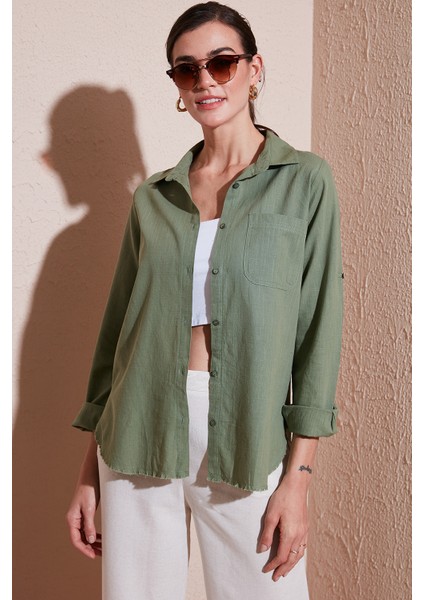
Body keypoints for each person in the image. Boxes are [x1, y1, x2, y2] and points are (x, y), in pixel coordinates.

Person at [66, 2, 343, 599]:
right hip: (137, 426)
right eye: (186, 69)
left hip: (248, 427)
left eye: (221, 63)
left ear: (254, 69)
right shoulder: (154, 199)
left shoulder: (305, 181)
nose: (205, 81)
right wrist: (89, 471)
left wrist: (297, 481)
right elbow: (118, 336)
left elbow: (319, 331)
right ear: (176, 84)